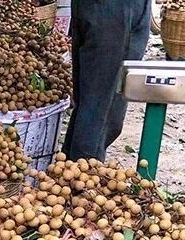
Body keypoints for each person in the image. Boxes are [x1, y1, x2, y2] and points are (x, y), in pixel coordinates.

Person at [63, 0, 151, 161]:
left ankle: (68, 169)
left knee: (89, 100)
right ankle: (83, 174)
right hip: (116, 10)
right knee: (102, 107)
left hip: (96, 8)